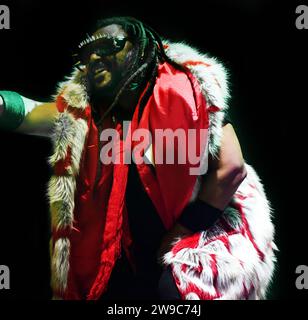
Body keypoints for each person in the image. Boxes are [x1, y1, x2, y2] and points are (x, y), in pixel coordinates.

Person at [0, 16, 276, 300]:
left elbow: (231, 169)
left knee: (175, 290)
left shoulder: (182, 90)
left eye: (109, 46)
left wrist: (182, 232)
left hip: (207, 239)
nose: (95, 56)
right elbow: (30, 114)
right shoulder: (93, 113)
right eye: (87, 52)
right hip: (141, 259)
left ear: (140, 48)